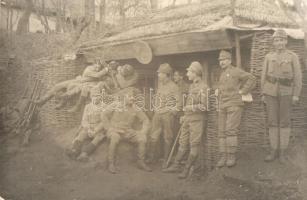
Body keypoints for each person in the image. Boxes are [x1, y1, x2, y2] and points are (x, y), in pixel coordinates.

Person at [261, 29, 302, 164]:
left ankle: (283, 152)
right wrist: (263, 93)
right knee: (272, 121)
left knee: (284, 122)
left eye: (281, 40)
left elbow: (298, 77)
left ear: (286, 41)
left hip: (286, 92)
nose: (279, 43)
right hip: (271, 92)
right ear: (273, 43)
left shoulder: (292, 56)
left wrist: (296, 94)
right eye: (276, 40)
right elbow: (264, 76)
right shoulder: (268, 57)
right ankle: (274, 150)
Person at [163, 62, 208, 179]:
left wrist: (190, 108)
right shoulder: (192, 86)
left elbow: (205, 106)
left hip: (197, 121)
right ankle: (176, 165)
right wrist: (185, 115)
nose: (187, 74)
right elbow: (188, 103)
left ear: (195, 73)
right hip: (188, 119)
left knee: (194, 145)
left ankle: (186, 170)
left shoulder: (203, 87)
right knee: (182, 142)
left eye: (189, 72)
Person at [216, 50, 256, 168]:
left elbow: (252, 79)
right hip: (223, 105)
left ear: (230, 60)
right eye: (220, 60)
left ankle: (231, 156)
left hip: (234, 104)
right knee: (221, 131)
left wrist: (243, 91)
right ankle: (223, 156)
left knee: (230, 130)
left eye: (224, 60)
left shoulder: (236, 71)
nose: (222, 62)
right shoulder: (222, 74)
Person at [105, 87, 152, 174]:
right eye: (130, 96)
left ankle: (140, 161)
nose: (132, 98)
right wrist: (109, 128)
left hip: (127, 132)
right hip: (115, 131)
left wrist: (143, 131)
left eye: (133, 96)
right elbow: (103, 115)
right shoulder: (116, 105)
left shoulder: (135, 108)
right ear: (124, 97)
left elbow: (146, 120)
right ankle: (111, 163)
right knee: (115, 138)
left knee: (142, 138)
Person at [35, 60, 110, 109]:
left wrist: (105, 70)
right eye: (96, 66)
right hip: (77, 81)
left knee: (70, 87)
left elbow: (99, 76)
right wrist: (106, 69)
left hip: (78, 82)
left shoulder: (99, 72)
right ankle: (42, 100)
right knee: (57, 86)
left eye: (99, 67)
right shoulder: (89, 69)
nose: (97, 67)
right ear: (93, 64)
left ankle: (62, 103)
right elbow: (97, 75)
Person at [147, 63, 182, 169]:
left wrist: (172, 113)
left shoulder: (174, 87)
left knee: (167, 137)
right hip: (158, 113)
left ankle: (166, 159)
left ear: (166, 74)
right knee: (153, 135)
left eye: (160, 73)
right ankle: (153, 157)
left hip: (167, 114)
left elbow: (179, 103)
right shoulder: (160, 85)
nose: (158, 75)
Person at [65, 86, 107, 162]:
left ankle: (84, 154)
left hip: (98, 129)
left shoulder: (103, 107)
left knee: (97, 138)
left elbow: (103, 122)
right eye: (94, 96)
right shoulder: (88, 107)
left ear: (100, 97)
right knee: (81, 134)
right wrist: (88, 128)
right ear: (91, 97)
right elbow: (84, 120)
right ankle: (75, 151)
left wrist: (95, 130)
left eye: (97, 96)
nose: (95, 98)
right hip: (89, 127)